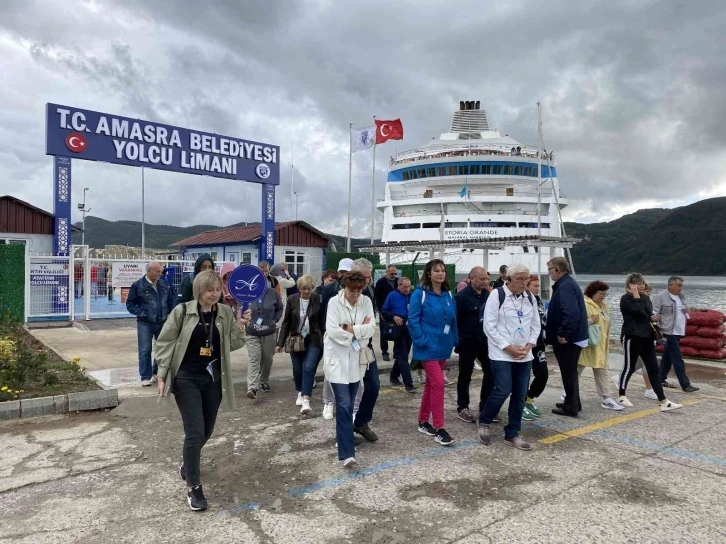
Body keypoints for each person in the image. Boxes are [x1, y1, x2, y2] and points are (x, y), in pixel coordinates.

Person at [154, 270, 251, 511]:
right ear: (199, 290)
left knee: (207, 430)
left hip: (213, 379)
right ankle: (194, 487)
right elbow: (165, 343)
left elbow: (233, 344)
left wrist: (240, 325)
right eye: (210, 290)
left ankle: (189, 464)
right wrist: (162, 374)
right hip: (186, 378)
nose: (215, 294)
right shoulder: (183, 312)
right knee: (195, 432)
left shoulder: (225, 313)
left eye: (218, 289)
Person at [478, 263, 540, 451]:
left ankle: (512, 432)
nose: (524, 282)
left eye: (526, 279)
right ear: (509, 279)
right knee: (503, 389)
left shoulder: (530, 297)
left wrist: (530, 344)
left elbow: (536, 324)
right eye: (520, 279)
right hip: (501, 353)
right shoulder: (497, 295)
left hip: (524, 354)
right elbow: (489, 326)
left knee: (520, 394)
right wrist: (508, 347)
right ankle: (485, 420)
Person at [323, 271, 376, 468]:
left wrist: (349, 328)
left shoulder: (366, 302)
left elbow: (372, 328)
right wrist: (357, 331)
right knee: (344, 405)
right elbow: (332, 330)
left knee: (351, 402)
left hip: (356, 362)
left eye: (358, 290)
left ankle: (343, 438)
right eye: (351, 290)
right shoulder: (334, 303)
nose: (354, 294)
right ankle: (347, 454)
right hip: (336, 360)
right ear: (343, 287)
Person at [616, 273, 683, 412]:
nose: (641, 286)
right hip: (632, 336)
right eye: (638, 284)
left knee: (653, 368)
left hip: (646, 337)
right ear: (630, 285)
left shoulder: (645, 298)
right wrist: (636, 296)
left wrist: (653, 318)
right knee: (629, 366)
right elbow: (638, 311)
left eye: (642, 283)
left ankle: (663, 400)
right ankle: (621, 394)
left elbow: (646, 314)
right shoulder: (626, 299)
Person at [409, 259, 458, 447]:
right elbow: (413, 321)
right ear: (428, 273)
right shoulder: (419, 294)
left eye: (443, 270)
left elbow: (453, 319)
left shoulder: (447, 294)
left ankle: (423, 421)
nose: (440, 273)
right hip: (427, 347)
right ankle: (439, 428)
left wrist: (454, 338)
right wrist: (422, 341)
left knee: (431, 385)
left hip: (443, 346)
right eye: (436, 270)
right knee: (438, 383)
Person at [545, 257, 589, 418]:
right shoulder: (568, 284)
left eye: (550, 269)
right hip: (576, 336)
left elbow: (571, 312)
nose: (548, 273)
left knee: (568, 372)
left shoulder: (565, 286)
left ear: (557, 269)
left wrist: (564, 333)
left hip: (569, 339)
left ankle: (571, 407)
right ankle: (573, 401)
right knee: (570, 372)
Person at [277, 275, 323, 414]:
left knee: (308, 367)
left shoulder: (318, 299)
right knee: (297, 369)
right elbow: (286, 322)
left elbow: (322, 321)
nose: (307, 292)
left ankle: (306, 399)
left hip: (313, 339)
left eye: (309, 288)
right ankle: (300, 390)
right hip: (296, 338)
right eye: (304, 288)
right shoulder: (292, 300)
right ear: (299, 288)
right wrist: (280, 342)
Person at [126, 261, 175, 386]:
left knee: (162, 348)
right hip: (145, 323)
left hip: (162, 321)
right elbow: (130, 304)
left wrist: (171, 313)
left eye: (161, 271)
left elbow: (170, 300)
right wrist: (142, 313)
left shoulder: (164, 283)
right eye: (157, 271)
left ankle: (157, 371)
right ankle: (145, 376)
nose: (160, 274)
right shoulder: (138, 285)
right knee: (145, 350)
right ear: (149, 271)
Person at [453, 266, 491, 424]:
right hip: (468, 342)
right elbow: (456, 320)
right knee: (465, 376)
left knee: (491, 373)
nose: (485, 282)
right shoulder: (461, 297)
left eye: (486, 279)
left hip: (486, 342)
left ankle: (486, 407)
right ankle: (463, 407)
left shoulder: (488, 295)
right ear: (471, 278)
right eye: (481, 279)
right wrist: (458, 340)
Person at [578, 281, 623, 411]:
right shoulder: (585, 304)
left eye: (605, 294)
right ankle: (569, 393)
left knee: (602, 369)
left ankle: (606, 398)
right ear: (593, 292)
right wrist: (590, 321)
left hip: (601, 345)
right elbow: (577, 323)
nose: (603, 296)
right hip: (588, 344)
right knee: (578, 368)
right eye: (600, 293)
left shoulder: (603, 306)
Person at [654, 276, 699, 393]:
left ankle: (660, 378)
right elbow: (654, 313)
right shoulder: (661, 297)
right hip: (668, 332)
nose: (681, 288)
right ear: (670, 285)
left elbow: (683, 311)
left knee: (667, 357)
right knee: (677, 357)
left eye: (681, 285)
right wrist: (658, 331)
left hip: (678, 331)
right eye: (679, 285)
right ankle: (685, 384)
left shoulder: (681, 297)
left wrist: (687, 311)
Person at [245, 261, 283, 398]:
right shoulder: (248, 292)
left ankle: (264, 380)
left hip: (269, 331)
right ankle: (252, 387)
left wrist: (275, 320)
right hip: (252, 332)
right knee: (254, 358)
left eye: (265, 271)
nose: (263, 274)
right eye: (260, 271)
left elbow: (280, 308)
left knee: (267, 358)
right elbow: (241, 309)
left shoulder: (273, 292)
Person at [381, 276, 415, 393]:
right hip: (398, 327)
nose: (407, 289)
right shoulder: (392, 295)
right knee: (403, 356)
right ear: (399, 286)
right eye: (404, 287)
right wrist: (393, 316)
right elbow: (384, 312)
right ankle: (408, 384)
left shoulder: (412, 296)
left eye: (408, 287)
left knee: (402, 354)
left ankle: (394, 375)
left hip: (410, 328)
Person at [523, 275, 548, 419]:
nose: (538, 288)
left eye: (538, 286)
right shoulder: (523, 301)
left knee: (543, 374)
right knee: (524, 377)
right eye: (534, 286)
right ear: (527, 286)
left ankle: (530, 398)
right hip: (526, 345)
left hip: (539, 344)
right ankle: (520, 403)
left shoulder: (538, 301)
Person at [374, 264, 399, 362]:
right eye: (391, 273)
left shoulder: (398, 282)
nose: (393, 275)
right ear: (387, 272)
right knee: (384, 331)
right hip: (385, 311)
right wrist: (381, 310)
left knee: (397, 331)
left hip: (396, 311)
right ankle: (385, 352)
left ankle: (396, 351)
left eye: (395, 273)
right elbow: (378, 297)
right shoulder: (381, 282)